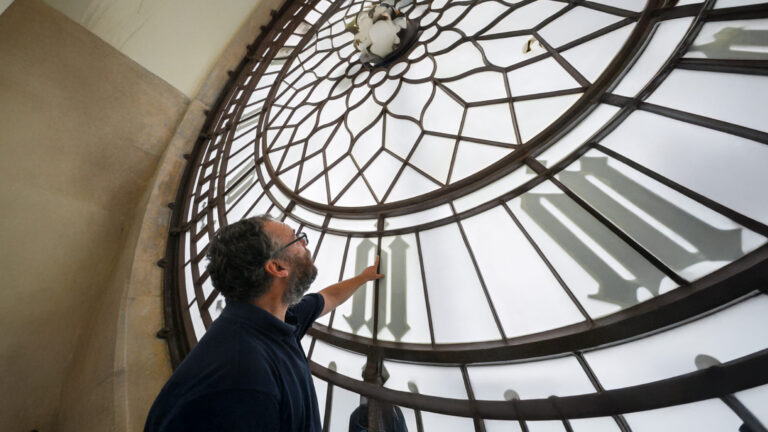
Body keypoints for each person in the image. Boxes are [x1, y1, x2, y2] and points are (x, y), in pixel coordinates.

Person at [144, 215, 384, 432]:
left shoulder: (273, 320)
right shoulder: (244, 379)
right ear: (277, 267)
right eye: (296, 240)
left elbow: (328, 298)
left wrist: (363, 277)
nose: (305, 244)